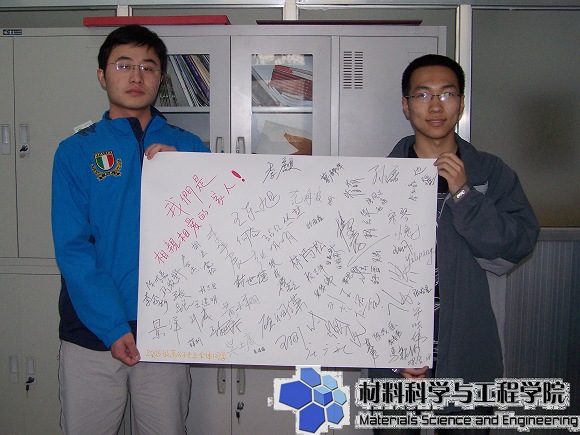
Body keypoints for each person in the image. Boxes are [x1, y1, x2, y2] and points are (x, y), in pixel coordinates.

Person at [369, 54, 540, 434]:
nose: (435, 106)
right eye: (422, 95)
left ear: (461, 103)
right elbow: (358, 276)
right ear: (406, 105)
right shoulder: (377, 178)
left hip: (467, 347)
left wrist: (464, 194)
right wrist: (393, 352)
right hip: (396, 352)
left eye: (446, 94)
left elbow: (516, 245)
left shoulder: (490, 173)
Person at [52, 25, 209, 434]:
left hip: (166, 331)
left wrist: (185, 174)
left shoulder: (191, 148)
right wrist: (112, 327)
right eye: (124, 65)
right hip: (91, 334)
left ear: (161, 78)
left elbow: (214, 234)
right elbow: (73, 248)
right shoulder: (76, 151)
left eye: (148, 67)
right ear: (102, 75)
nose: (136, 76)